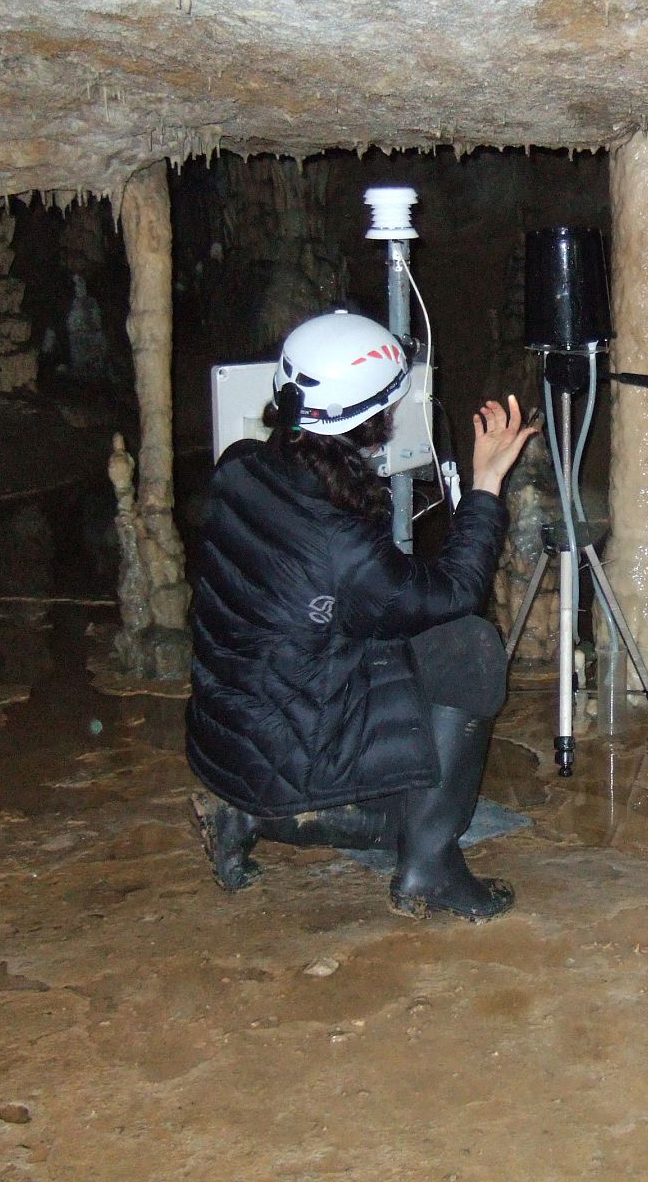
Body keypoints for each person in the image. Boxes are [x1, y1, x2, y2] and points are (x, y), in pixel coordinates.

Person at [186, 309, 536, 922]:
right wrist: (484, 487)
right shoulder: (342, 543)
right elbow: (454, 593)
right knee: (471, 647)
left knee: (383, 649)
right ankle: (427, 867)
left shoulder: (240, 466)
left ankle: (239, 808)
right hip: (291, 761)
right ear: (369, 423)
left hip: (229, 739)